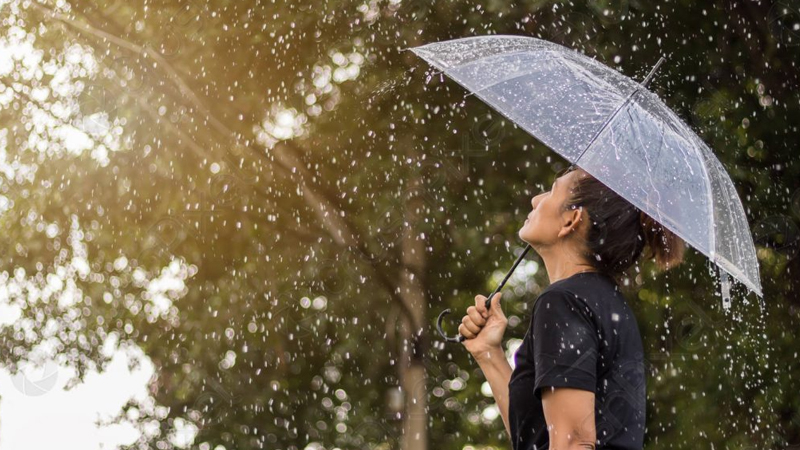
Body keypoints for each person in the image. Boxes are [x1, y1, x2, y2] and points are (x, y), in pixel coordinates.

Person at [458, 165, 685, 449]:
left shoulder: (564, 302)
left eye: (552, 191)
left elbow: (574, 442)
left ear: (571, 219)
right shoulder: (604, 302)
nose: (536, 200)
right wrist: (488, 353)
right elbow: (535, 437)